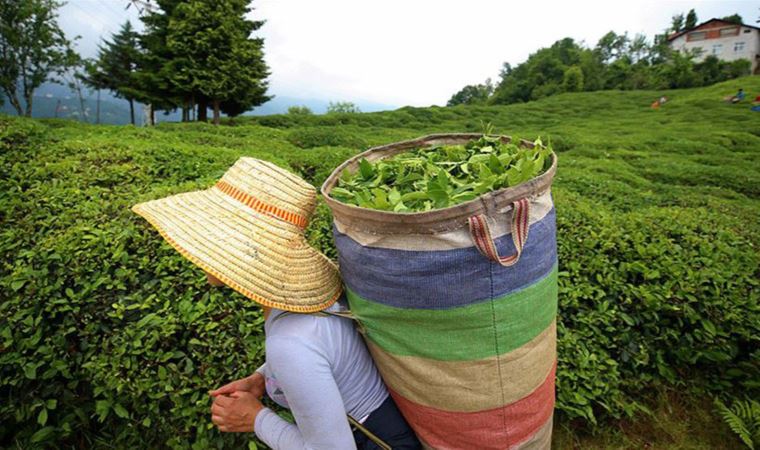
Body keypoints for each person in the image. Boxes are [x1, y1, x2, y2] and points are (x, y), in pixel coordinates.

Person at [132, 157, 421, 449]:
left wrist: (255, 419)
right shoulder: (307, 306)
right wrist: (262, 378)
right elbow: (325, 354)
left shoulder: (290, 344)